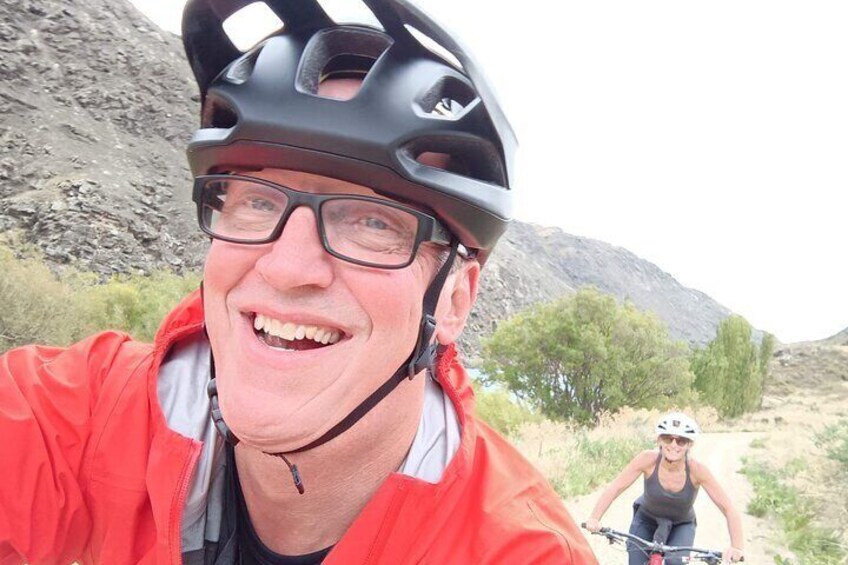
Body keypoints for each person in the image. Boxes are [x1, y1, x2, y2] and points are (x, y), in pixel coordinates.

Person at [0, 1, 598, 563]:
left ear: (455, 299)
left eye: (371, 221)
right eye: (257, 202)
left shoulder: (515, 548)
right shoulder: (90, 415)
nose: (287, 268)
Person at [584, 413, 744, 564]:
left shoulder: (697, 471)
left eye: (681, 440)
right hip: (646, 519)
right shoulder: (647, 460)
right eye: (668, 439)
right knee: (635, 561)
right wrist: (595, 518)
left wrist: (736, 547)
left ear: (689, 444)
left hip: (681, 524)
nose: (674, 445)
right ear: (659, 440)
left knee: (676, 562)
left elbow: (728, 508)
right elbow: (615, 487)